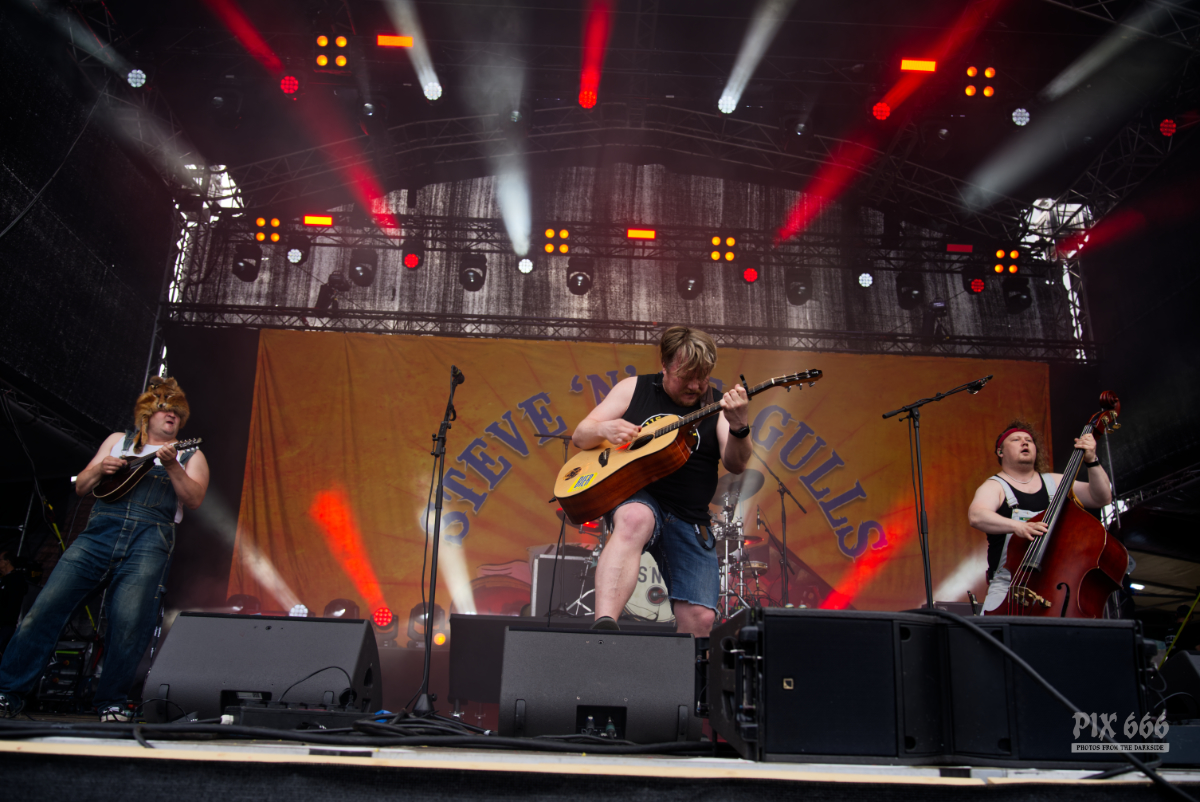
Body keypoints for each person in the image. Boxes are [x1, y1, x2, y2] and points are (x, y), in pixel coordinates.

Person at [0, 376, 208, 721]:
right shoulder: (117, 441)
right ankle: (7, 693)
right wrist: (100, 468)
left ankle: (111, 702)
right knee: (45, 610)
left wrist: (172, 465)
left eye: (177, 411)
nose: (171, 414)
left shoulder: (190, 454)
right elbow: (81, 486)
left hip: (149, 539)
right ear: (147, 414)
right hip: (98, 534)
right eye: (164, 408)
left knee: (129, 625)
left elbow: (195, 498)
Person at [571, 326, 750, 637]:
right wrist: (603, 429)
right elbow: (580, 435)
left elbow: (736, 463)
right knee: (635, 517)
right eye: (686, 376)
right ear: (665, 365)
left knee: (700, 619)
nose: (695, 386)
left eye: (702, 377)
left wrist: (740, 427)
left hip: (689, 516)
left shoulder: (718, 405)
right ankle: (604, 629)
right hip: (639, 495)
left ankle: (686, 669)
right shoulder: (634, 389)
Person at [967, 421, 1112, 613]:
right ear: (1000, 452)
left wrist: (1092, 460)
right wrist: (1019, 527)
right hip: (1009, 585)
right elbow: (977, 516)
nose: (1024, 443)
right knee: (994, 629)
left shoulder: (1056, 482)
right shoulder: (995, 486)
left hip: (1055, 583)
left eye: (1029, 440)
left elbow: (1101, 497)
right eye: (1016, 440)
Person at [0, 551, 29, 656]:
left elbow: (13, 604)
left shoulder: (15, 579)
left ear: (7, 561)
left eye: (0, 560)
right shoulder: (5, 579)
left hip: (7, 625)